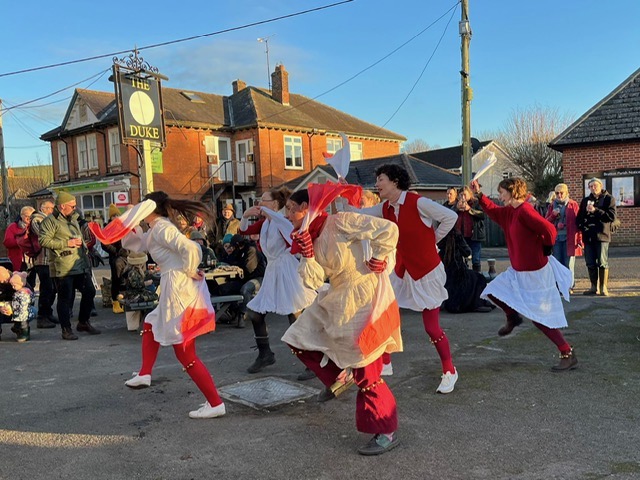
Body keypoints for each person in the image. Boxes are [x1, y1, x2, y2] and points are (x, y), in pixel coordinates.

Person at [282, 188, 403, 456]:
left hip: (364, 295)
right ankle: (339, 375)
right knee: (298, 338)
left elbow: (388, 230)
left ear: (307, 207)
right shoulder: (306, 236)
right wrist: (309, 254)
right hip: (337, 297)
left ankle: (386, 431)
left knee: (367, 372)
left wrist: (380, 257)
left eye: (291, 208)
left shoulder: (341, 221)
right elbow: (313, 281)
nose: (287, 214)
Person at [120, 191, 225, 419]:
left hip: (179, 288)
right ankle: (145, 373)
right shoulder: (156, 228)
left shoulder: (161, 228)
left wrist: (188, 270)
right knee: (151, 322)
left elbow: (191, 248)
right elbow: (137, 243)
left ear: (150, 208)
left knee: (185, 352)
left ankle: (215, 403)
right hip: (174, 286)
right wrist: (128, 220)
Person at [356, 164, 459, 394]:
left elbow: (450, 217)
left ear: (394, 181)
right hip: (403, 270)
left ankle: (450, 370)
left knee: (432, 328)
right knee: (383, 312)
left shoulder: (418, 202)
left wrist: (433, 240)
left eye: (380, 179)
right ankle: (385, 362)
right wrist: (335, 207)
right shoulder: (385, 208)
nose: (377, 184)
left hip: (427, 271)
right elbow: (360, 216)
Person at [470, 177, 577, 371]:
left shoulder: (525, 211)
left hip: (535, 273)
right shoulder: (510, 212)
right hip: (518, 270)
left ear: (512, 191)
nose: (500, 196)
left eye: (502, 192)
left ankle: (567, 352)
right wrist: (479, 195)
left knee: (539, 319)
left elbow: (549, 229)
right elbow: (493, 211)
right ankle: (513, 317)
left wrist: (546, 247)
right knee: (492, 290)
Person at [237, 187, 317, 374]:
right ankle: (265, 354)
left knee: (294, 314)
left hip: (287, 269)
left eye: (263, 200)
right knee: (256, 312)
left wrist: (267, 212)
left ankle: (312, 360)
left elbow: (291, 235)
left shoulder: (284, 219)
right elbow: (243, 232)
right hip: (273, 270)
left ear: (274, 204)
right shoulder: (266, 223)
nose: (259, 203)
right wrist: (245, 216)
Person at [38, 192, 100, 340]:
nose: (75, 208)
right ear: (62, 206)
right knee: (65, 298)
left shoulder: (74, 219)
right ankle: (66, 329)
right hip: (63, 266)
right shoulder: (50, 221)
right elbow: (43, 241)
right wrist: (66, 243)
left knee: (90, 291)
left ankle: (83, 322)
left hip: (80, 264)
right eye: (72, 206)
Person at [210, 234, 266, 328]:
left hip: (257, 278)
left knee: (245, 289)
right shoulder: (239, 251)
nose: (232, 248)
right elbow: (230, 260)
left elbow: (249, 268)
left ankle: (242, 314)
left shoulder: (251, 250)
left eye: (233, 246)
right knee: (224, 288)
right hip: (243, 278)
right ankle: (231, 311)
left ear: (237, 244)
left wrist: (235, 267)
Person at [438, 229, 495, 314]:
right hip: (458, 273)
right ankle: (477, 304)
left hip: (442, 272)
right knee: (479, 278)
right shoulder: (457, 237)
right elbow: (467, 252)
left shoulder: (438, 237)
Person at [577, 178, 617, 296]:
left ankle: (603, 287)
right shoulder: (585, 201)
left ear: (600, 186)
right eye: (590, 186)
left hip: (602, 235)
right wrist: (582, 227)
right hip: (588, 236)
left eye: (595, 186)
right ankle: (593, 287)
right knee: (590, 262)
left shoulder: (609, 199)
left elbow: (611, 217)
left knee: (602, 262)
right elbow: (579, 217)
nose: (593, 188)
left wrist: (595, 210)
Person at [545, 183, 582, 293]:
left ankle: (569, 286)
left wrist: (580, 239)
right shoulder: (552, 205)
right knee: (558, 264)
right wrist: (553, 216)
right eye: (557, 193)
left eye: (562, 193)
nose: (559, 195)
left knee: (568, 264)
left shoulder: (573, 204)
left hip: (569, 238)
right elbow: (546, 222)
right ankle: (559, 286)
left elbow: (578, 223)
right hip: (556, 239)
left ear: (566, 193)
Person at [27, 201, 58, 328]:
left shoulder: (48, 219)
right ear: (44, 208)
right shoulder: (36, 219)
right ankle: (42, 316)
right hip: (42, 260)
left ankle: (48, 312)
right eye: (51, 208)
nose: (52, 210)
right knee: (46, 288)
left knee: (52, 288)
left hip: (49, 260)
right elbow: (43, 235)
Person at [102, 204, 127, 313]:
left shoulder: (122, 226)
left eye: (117, 215)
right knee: (116, 279)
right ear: (110, 217)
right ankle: (115, 303)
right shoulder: (108, 228)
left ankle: (124, 301)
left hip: (125, 257)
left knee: (125, 279)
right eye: (114, 215)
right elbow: (105, 244)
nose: (116, 217)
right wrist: (116, 251)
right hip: (115, 258)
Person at [455, 186, 486, 273]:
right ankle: (464, 277)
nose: (463, 197)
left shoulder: (476, 203)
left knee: (476, 258)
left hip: (474, 235)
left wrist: (470, 209)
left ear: (470, 194)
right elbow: (449, 214)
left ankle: (477, 276)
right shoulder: (457, 204)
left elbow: (482, 215)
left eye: (464, 194)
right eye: (461, 195)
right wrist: (457, 208)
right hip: (461, 236)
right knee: (462, 258)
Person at [3, 206, 36, 286]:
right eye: (27, 216)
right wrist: (21, 241)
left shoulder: (35, 226)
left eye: (31, 217)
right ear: (21, 216)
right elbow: (7, 242)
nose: (29, 219)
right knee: (18, 283)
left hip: (32, 261)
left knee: (31, 283)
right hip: (18, 260)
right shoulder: (13, 227)